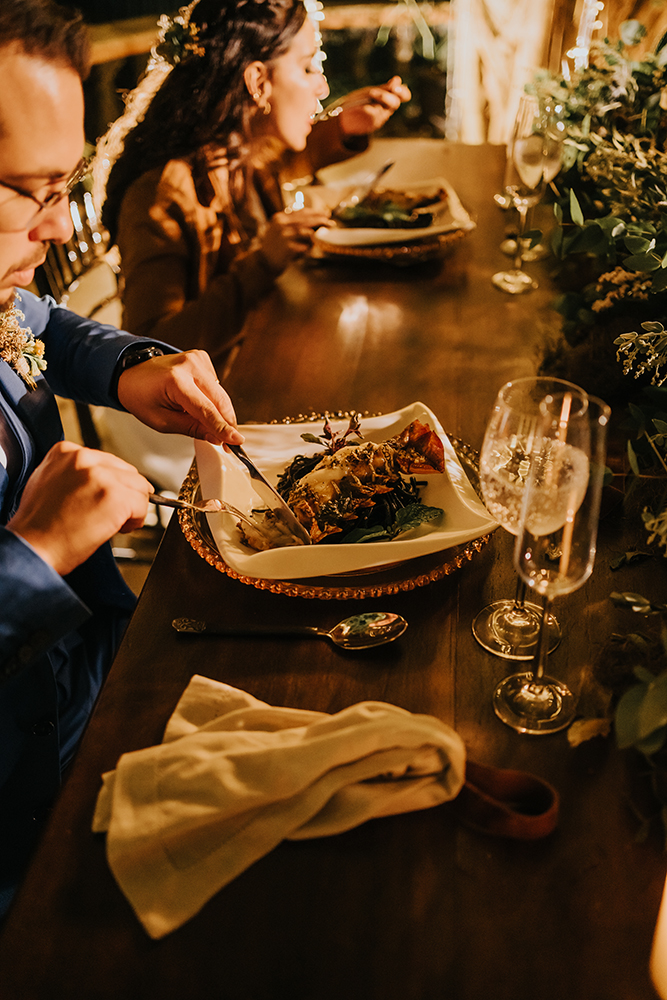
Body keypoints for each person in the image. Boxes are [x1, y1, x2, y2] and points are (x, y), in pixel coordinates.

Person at [0, 0, 244, 918]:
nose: (60, 230)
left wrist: (135, 365)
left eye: (67, 188)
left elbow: (43, 323)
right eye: (31, 189)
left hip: (89, 713)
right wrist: (34, 556)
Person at [97, 0, 411, 370]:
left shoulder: (239, 152)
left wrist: (345, 126)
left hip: (262, 358)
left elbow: (289, 158)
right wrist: (262, 263)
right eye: (308, 66)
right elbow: (151, 352)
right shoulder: (162, 194)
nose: (322, 87)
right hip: (212, 406)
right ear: (258, 82)